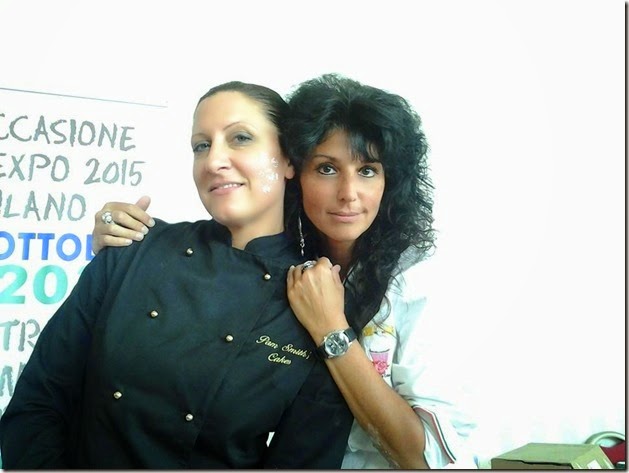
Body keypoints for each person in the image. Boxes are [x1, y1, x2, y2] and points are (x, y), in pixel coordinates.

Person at [88, 74, 477, 468]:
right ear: (294, 170)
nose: (349, 193)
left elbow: (424, 459)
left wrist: (331, 330)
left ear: (391, 181)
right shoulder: (286, 266)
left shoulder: (417, 283)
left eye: (367, 170)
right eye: (327, 169)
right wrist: (126, 242)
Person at [0, 81, 354, 469]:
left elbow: (304, 461)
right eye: (201, 145)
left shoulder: (317, 302)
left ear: (288, 160)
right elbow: (37, 403)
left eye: (240, 138)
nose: (213, 160)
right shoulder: (132, 250)